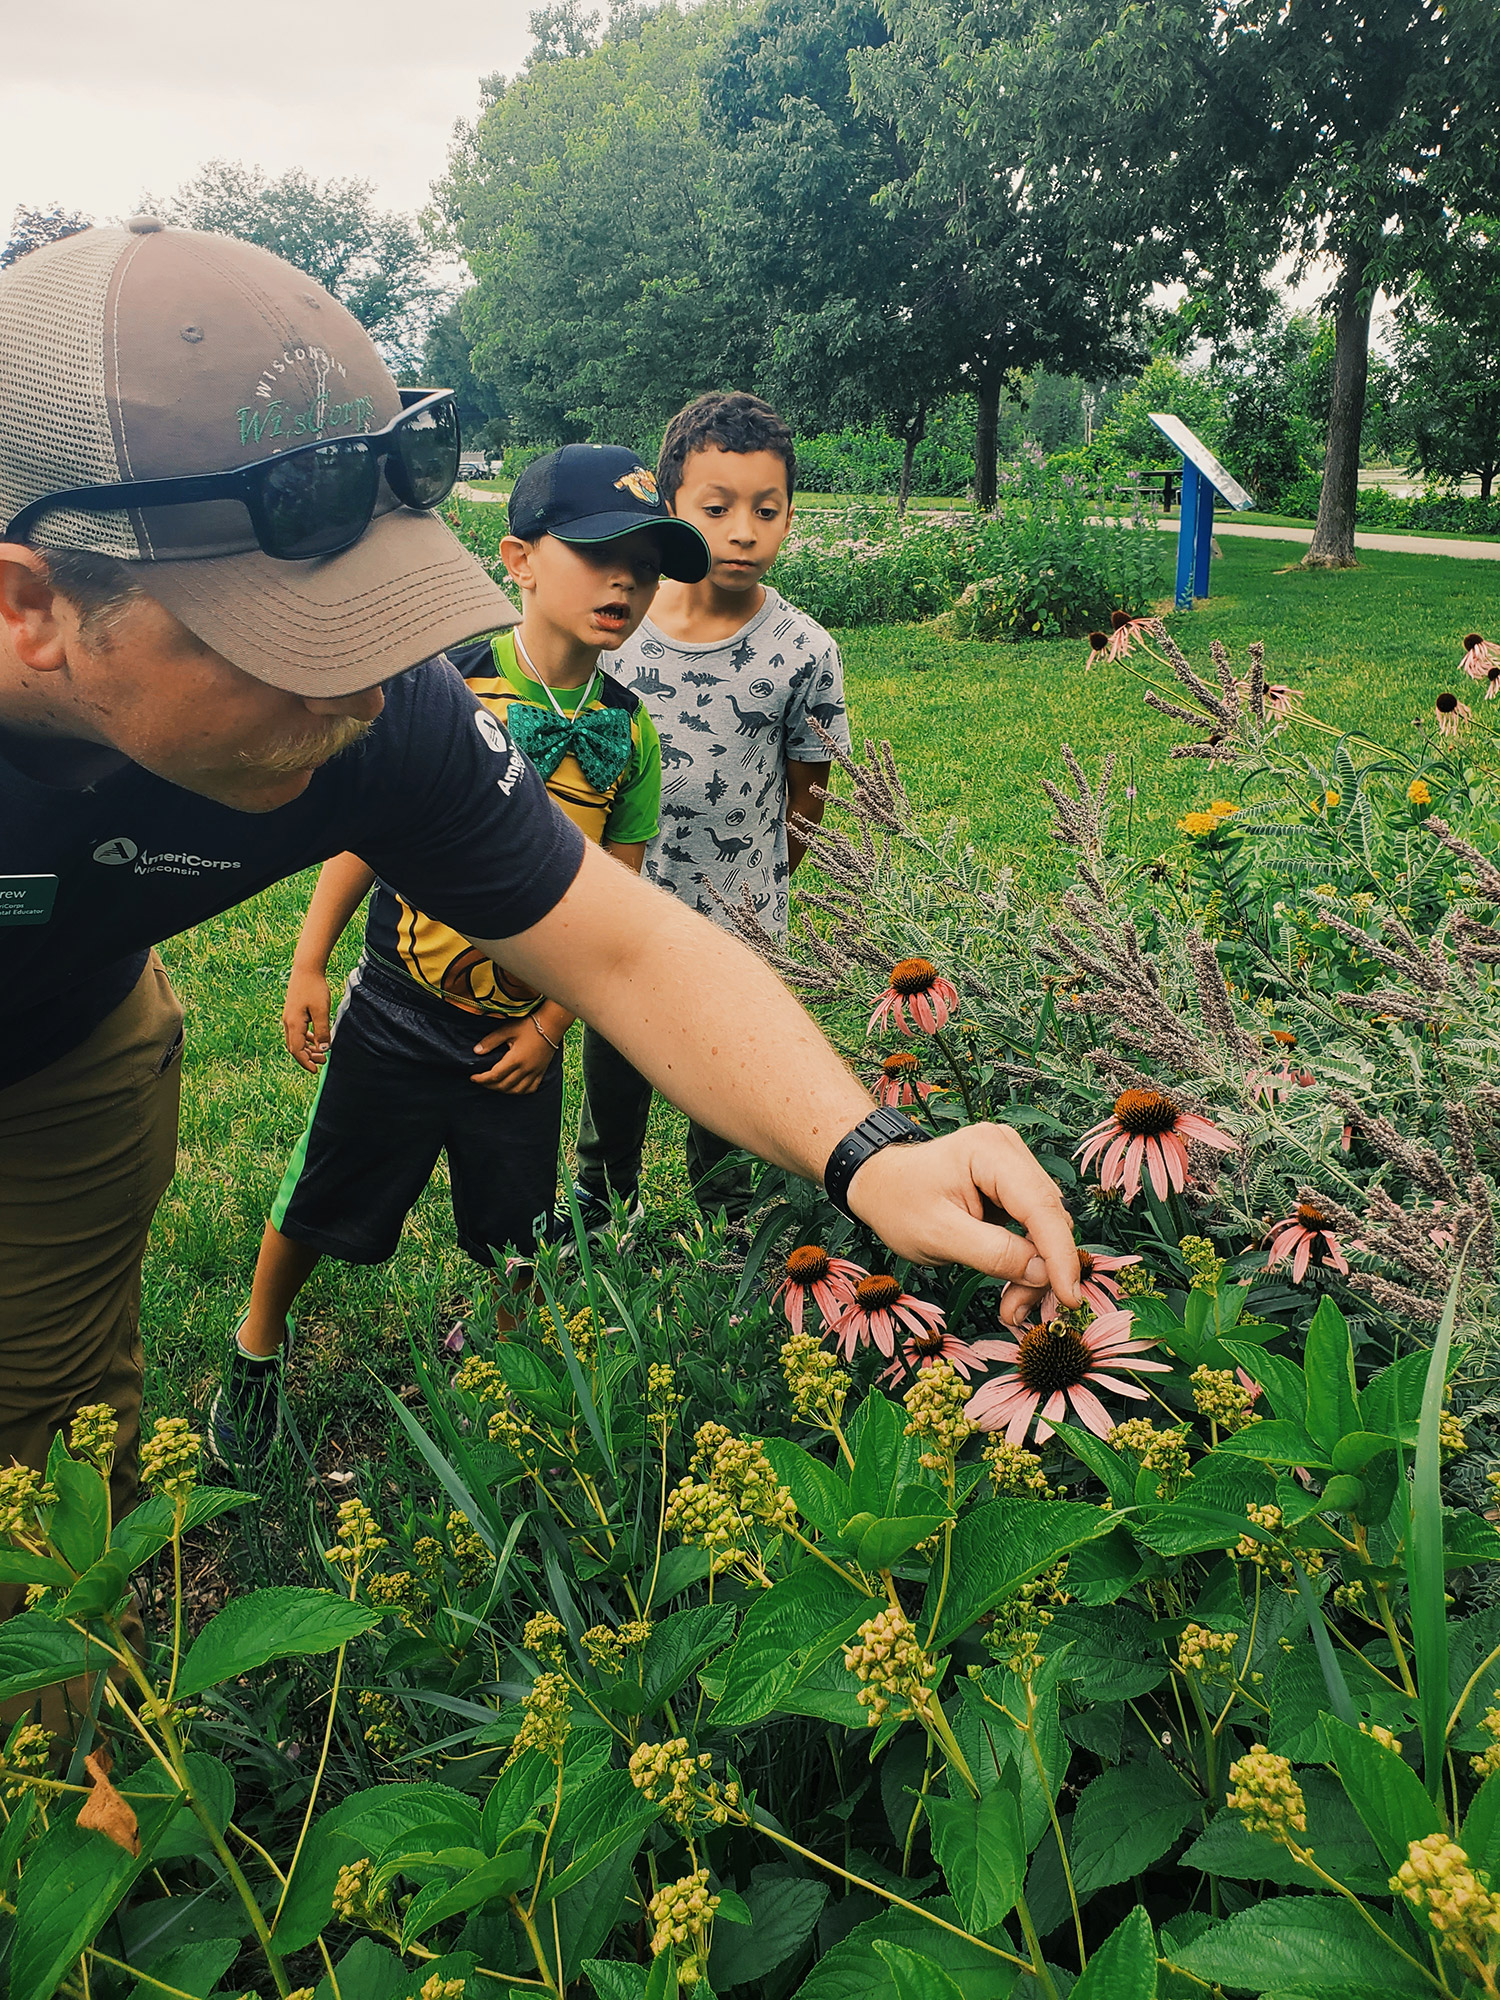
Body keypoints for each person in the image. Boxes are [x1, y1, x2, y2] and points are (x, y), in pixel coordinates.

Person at [0, 219, 1081, 1610]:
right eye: (286, 643)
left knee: (48, 1405)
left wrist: (865, 1149)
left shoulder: (380, 719)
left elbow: (626, 943)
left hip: (71, 1031)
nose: (365, 693)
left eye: (377, 617)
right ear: (35, 609)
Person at [211, 445, 692, 1469]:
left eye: (646, 569)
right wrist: (309, 961)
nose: (625, 583)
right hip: (397, 1001)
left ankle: (516, 1387)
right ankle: (257, 1346)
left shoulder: (630, 732)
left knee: (521, 1228)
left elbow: (616, 905)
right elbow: (361, 834)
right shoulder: (448, 685)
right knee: (319, 1190)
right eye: (600, 553)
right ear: (518, 557)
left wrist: (550, 1025)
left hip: (518, 1036)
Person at [573, 391, 847, 1225]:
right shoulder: (620, 626)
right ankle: (601, 1198)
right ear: (670, 509)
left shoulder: (805, 651)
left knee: (731, 1077)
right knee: (616, 1061)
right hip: (619, 908)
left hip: (742, 919)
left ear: (791, 516)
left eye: (766, 510)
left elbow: (810, 794)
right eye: (717, 508)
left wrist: (762, 884)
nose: (742, 531)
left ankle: (727, 1219)